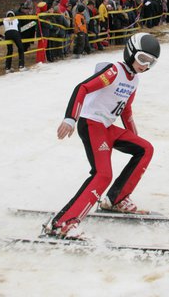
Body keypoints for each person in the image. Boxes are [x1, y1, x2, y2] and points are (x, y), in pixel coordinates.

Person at [43, 33, 161, 239]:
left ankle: (116, 199)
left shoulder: (134, 81)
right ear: (130, 51)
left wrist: (134, 137)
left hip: (107, 126)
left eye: (151, 62)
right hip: (91, 124)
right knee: (102, 174)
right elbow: (83, 87)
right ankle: (63, 223)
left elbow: (126, 111)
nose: (146, 66)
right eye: (143, 59)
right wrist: (70, 117)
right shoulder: (114, 71)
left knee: (145, 149)